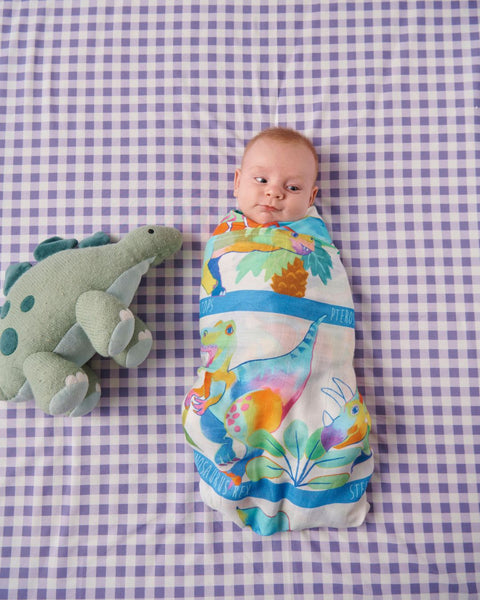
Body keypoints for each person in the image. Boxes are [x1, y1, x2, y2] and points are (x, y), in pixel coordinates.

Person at [183, 127, 373, 536]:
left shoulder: (313, 240)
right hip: (239, 356)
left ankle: (328, 496)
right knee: (213, 411)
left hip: (313, 362)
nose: (273, 194)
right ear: (237, 182)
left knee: (327, 416)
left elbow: (326, 290)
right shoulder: (225, 239)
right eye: (261, 180)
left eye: (292, 186)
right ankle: (232, 476)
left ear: (312, 197)